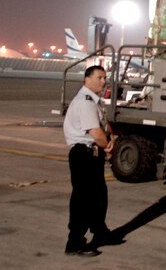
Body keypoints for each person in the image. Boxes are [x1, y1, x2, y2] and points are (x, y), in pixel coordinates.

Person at [63, 65, 121, 256]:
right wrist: (107, 146)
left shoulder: (95, 101)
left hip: (93, 153)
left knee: (98, 196)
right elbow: (95, 133)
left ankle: (100, 232)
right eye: (99, 78)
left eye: (105, 78)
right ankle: (75, 242)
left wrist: (109, 142)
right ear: (86, 80)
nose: (104, 81)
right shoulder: (85, 101)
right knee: (83, 198)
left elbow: (103, 127)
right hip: (83, 154)